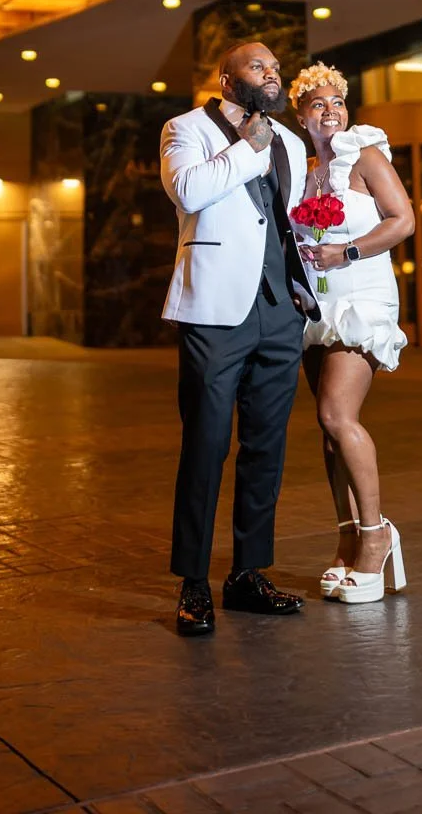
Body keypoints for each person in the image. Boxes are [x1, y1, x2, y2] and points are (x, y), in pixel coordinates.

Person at [160, 41, 319, 637]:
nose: (271, 75)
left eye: (276, 69)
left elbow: (292, 217)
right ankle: (194, 583)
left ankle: (248, 574)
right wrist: (249, 148)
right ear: (228, 77)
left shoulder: (293, 143)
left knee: (266, 448)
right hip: (213, 309)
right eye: (259, 67)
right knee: (205, 445)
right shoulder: (187, 128)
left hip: (280, 312)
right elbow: (189, 192)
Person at [289, 63, 416, 604]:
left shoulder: (363, 154)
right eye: (318, 104)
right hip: (317, 304)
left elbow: (402, 219)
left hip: (362, 296)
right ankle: (345, 541)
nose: (331, 112)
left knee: (338, 415)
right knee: (327, 430)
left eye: (337, 102)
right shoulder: (303, 169)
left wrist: (348, 250)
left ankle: (375, 537)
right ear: (300, 116)